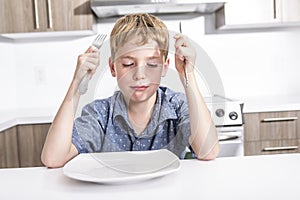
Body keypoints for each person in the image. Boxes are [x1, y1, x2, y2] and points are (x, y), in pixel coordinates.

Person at [41, 13, 220, 168]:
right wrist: (76, 85)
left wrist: (187, 73)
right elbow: (53, 158)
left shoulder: (177, 106)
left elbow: (208, 151)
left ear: (165, 67)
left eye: (151, 64)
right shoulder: (100, 114)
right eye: (128, 64)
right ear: (113, 67)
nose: (139, 75)